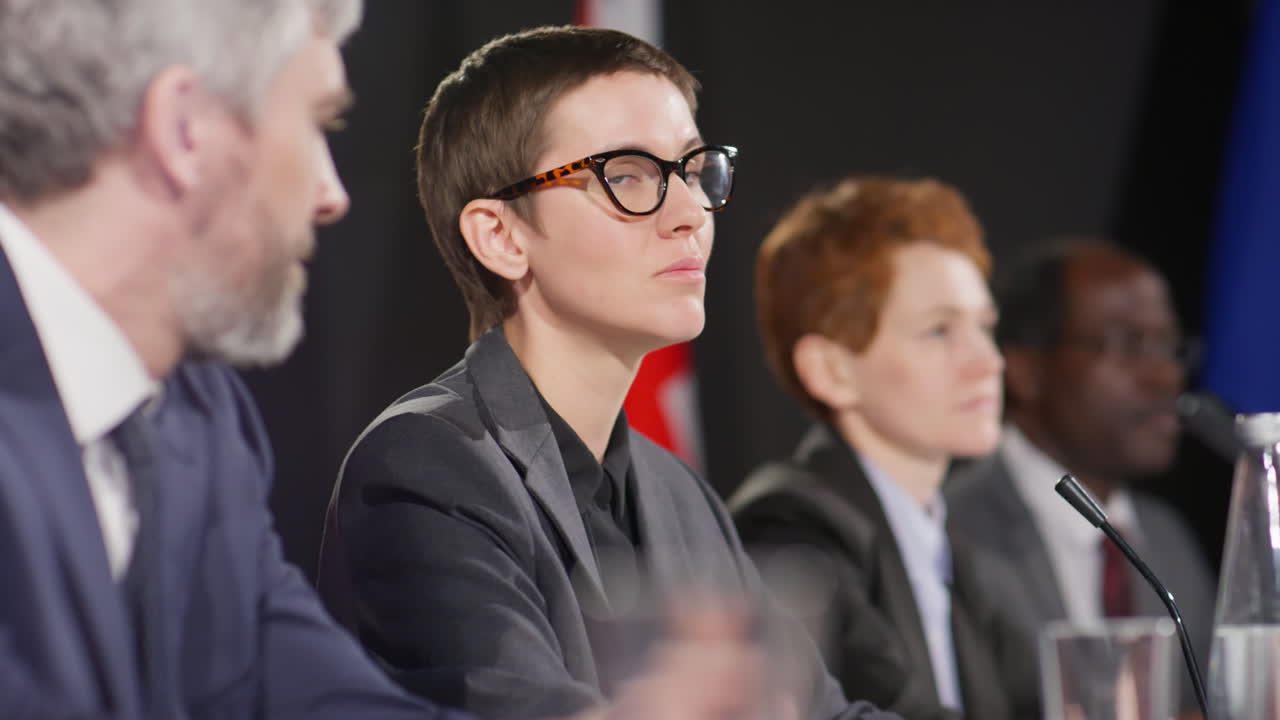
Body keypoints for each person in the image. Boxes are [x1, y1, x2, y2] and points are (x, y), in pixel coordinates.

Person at [0, 3, 767, 719]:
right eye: (317, 124)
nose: (332, 193)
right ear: (182, 130)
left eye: (694, 172)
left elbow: (313, 693)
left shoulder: (202, 419)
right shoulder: (422, 462)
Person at [318, 25, 896, 720]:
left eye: (693, 170)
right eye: (626, 176)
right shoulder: (423, 466)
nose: (691, 213)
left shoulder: (683, 496)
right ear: (501, 236)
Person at [729, 177, 1040, 720]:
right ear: (832, 371)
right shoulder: (789, 527)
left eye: (984, 328)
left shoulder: (949, 547)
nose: (989, 362)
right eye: (940, 331)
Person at [944, 238, 1215, 717]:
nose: (1166, 376)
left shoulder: (1169, 538)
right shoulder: (951, 531)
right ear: (1026, 370)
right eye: (1128, 344)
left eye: (1169, 347)